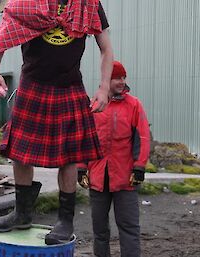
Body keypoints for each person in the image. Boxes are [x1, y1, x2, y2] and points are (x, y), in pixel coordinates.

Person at [0, 0, 114, 245]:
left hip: (69, 86)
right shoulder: (27, 2)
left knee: (68, 157)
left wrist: (104, 87)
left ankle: (65, 221)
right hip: (32, 84)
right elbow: (2, 35)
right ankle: (22, 214)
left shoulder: (89, 4)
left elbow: (106, 48)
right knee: (20, 153)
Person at [77, 61, 150, 257]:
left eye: (123, 77)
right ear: (106, 79)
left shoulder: (134, 105)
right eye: (117, 77)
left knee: (129, 228)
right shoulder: (94, 105)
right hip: (98, 178)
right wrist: (82, 168)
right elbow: (84, 138)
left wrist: (139, 167)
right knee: (100, 230)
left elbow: (142, 137)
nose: (121, 81)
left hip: (125, 178)